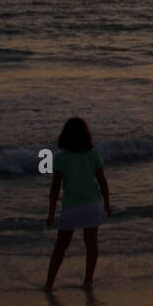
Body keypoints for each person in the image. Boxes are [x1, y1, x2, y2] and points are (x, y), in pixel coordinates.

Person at [45, 117, 110, 291]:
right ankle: (88, 280)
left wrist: (51, 212)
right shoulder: (93, 154)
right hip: (92, 205)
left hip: (71, 207)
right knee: (91, 244)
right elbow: (103, 182)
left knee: (61, 246)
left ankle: (49, 283)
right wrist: (107, 204)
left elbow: (55, 188)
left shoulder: (60, 158)